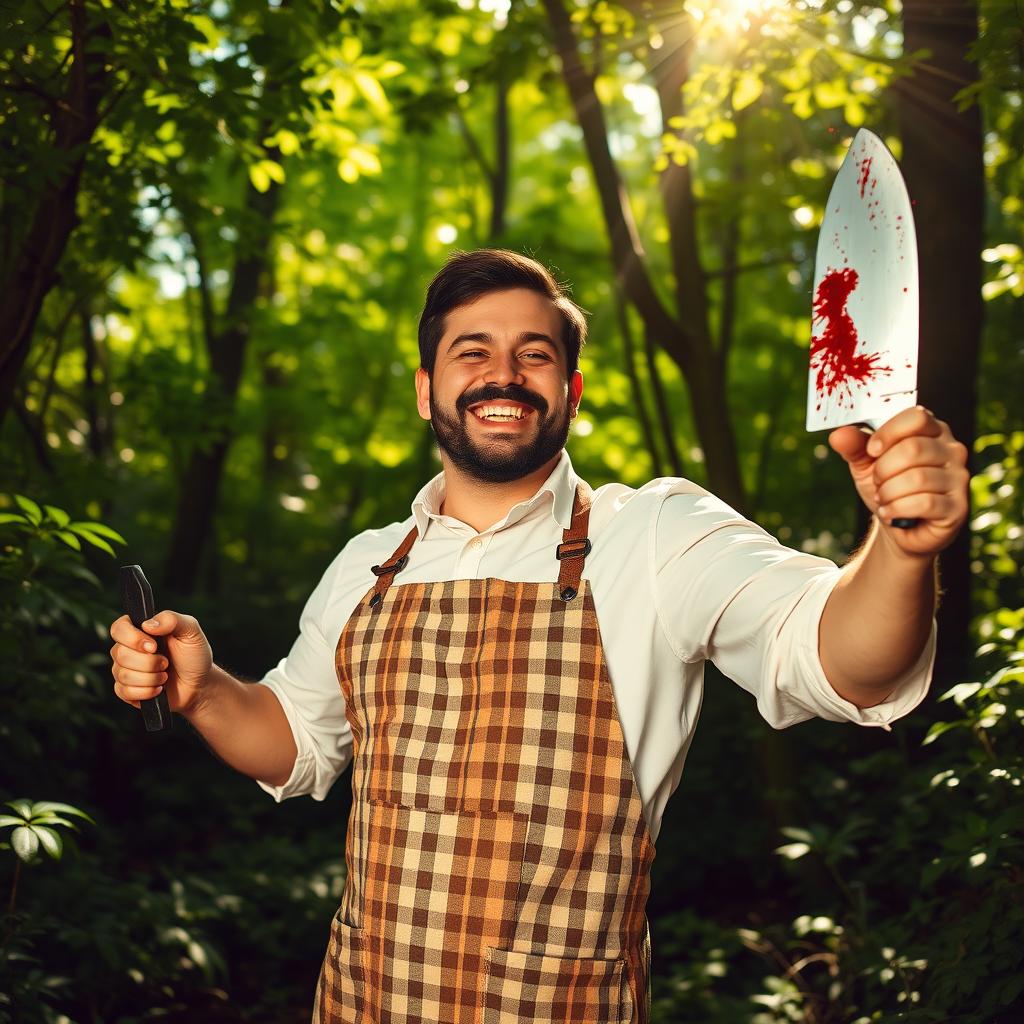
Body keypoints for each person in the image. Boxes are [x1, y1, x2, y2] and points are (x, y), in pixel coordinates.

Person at [109, 249, 969, 1023]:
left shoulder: (657, 534)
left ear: (571, 390)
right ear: (426, 389)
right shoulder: (369, 564)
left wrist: (900, 544)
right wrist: (204, 689)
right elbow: (296, 741)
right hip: (359, 1001)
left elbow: (839, 658)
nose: (503, 374)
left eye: (535, 354)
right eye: (472, 351)